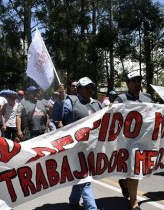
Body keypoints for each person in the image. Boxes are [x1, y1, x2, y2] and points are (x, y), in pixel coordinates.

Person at [62, 77, 102, 210]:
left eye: (91, 87)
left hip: (92, 147)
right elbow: (62, 122)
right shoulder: (70, 102)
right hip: (76, 147)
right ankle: (92, 208)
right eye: (86, 87)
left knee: (81, 176)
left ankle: (73, 202)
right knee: (85, 179)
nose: (89, 90)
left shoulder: (97, 104)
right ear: (78, 89)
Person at [114, 72, 151, 210]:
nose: (137, 84)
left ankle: (124, 183)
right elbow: (113, 116)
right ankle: (133, 203)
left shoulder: (147, 98)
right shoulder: (121, 99)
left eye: (139, 81)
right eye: (133, 81)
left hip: (143, 140)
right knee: (134, 170)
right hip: (126, 140)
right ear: (128, 83)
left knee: (134, 169)